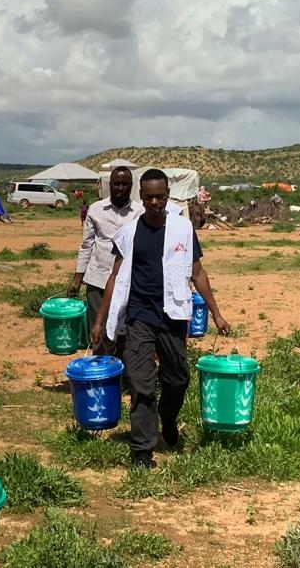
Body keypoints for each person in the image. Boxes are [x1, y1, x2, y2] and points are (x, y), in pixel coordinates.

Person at [91, 168, 229, 469]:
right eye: (150, 197)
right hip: (139, 316)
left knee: (177, 379)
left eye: (160, 197)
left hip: (173, 316)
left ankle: (167, 417)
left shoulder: (182, 229)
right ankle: (142, 450)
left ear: (168, 196)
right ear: (142, 196)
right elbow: (115, 276)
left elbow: (197, 272)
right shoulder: (129, 233)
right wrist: (100, 320)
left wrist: (216, 313)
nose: (155, 202)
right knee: (141, 383)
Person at [68, 166, 143, 355]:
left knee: (125, 328)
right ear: (110, 185)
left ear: (131, 186)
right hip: (98, 278)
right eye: (116, 184)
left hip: (128, 281)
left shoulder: (139, 212)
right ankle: (102, 375)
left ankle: (123, 374)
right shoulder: (96, 209)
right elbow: (86, 245)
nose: (120, 188)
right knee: (98, 329)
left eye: (125, 184)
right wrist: (78, 278)